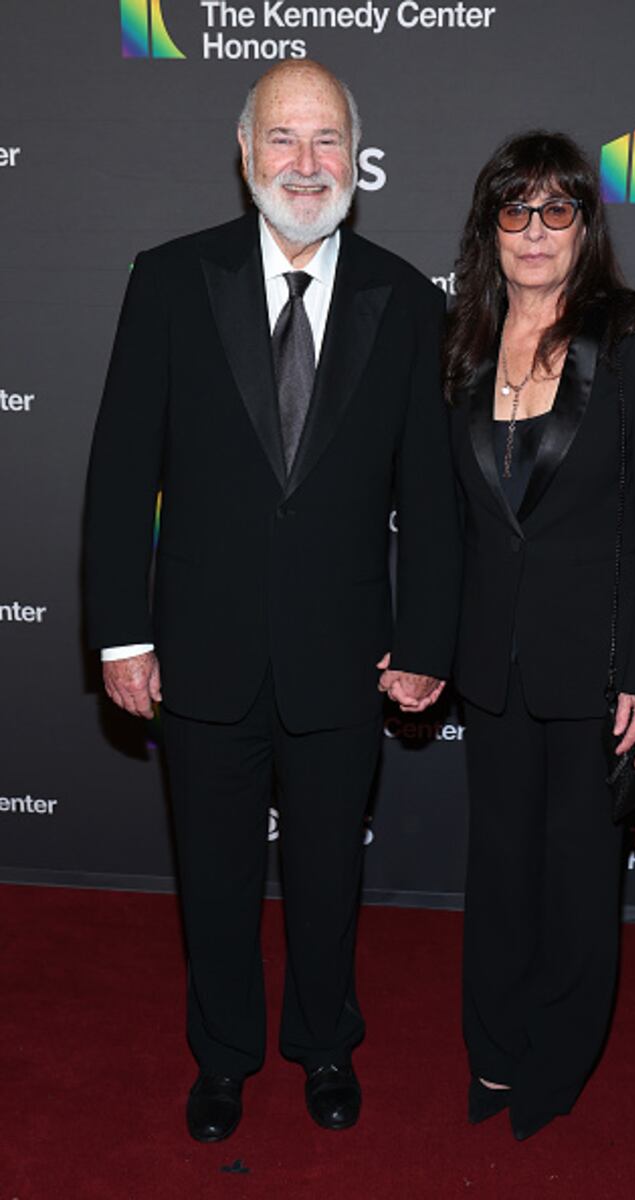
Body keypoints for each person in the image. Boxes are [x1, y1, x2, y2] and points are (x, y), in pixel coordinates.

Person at [84, 61, 460, 1142]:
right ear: (245, 153)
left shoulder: (407, 299)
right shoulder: (170, 278)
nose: (306, 163)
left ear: (357, 158)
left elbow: (431, 495)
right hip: (200, 650)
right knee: (212, 876)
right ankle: (223, 1058)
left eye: (327, 139)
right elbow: (122, 471)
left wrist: (425, 638)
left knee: (330, 876)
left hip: (345, 654)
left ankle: (325, 1044)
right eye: (284, 138)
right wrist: (120, 634)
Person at [444, 131, 635, 1141]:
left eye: (558, 209)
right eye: (516, 210)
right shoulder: (458, 343)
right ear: (490, 228)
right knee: (499, 868)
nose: (536, 231)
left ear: (585, 226)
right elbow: (446, 518)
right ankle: (494, 1047)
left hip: (598, 666)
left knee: (581, 879)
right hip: (490, 662)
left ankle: (556, 1060)